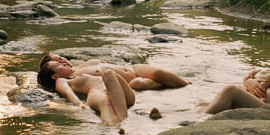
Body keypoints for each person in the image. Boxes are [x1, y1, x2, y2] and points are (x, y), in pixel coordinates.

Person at [37, 57, 135, 126]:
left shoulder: (76, 72)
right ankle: (117, 125)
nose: (63, 63)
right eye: (58, 65)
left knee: (108, 73)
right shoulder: (61, 80)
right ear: (55, 76)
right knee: (106, 102)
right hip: (97, 92)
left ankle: (122, 119)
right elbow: (67, 92)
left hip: (119, 94)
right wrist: (79, 104)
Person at [38, 52, 189, 90]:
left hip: (133, 69)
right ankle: (181, 87)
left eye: (61, 58)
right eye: (58, 62)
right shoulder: (71, 79)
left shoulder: (80, 66)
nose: (63, 61)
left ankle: (188, 85)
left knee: (159, 72)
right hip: (131, 82)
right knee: (139, 83)